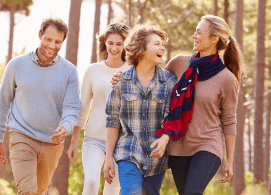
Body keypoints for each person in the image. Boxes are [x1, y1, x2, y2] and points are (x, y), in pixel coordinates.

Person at [112, 14, 242, 194]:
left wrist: (230, 160)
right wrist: (124, 77)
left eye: (199, 32)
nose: (194, 36)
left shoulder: (227, 79)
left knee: (192, 192)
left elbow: (229, 120)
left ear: (214, 38)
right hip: (178, 146)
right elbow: (152, 80)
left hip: (207, 145)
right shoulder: (180, 63)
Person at [0, 17, 80, 195]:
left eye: (57, 41)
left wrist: (66, 126)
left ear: (62, 42)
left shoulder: (69, 71)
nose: (52, 45)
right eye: (48, 39)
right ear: (40, 35)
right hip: (22, 136)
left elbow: (72, 108)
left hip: (52, 143)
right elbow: (2, 102)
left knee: (39, 192)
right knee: (27, 191)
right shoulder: (16, 65)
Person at [104, 24, 177, 195]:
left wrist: (165, 138)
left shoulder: (169, 82)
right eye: (157, 43)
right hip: (128, 151)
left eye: (162, 44)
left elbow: (171, 117)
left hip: (156, 158)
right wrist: (108, 157)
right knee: (131, 192)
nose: (162, 47)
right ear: (141, 48)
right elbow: (112, 120)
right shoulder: (122, 82)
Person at [66, 23, 130, 195]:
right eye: (110, 43)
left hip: (122, 142)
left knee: (112, 189)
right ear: (104, 43)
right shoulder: (92, 71)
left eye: (119, 44)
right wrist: (73, 142)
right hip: (93, 139)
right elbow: (83, 107)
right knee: (92, 181)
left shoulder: (132, 71)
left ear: (125, 45)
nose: (114, 48)